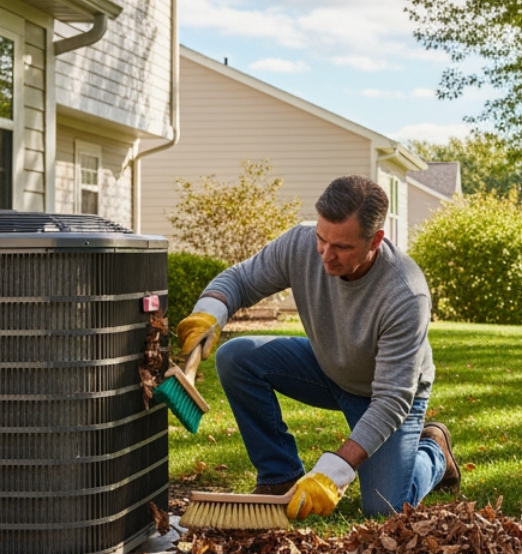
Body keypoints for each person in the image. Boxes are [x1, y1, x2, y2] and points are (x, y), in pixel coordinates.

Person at [174, 175, 458, 520]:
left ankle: (434, 452)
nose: (326, 253)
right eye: (322, 238)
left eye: (342, 246)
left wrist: (335, 470)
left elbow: (392, 399)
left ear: (375, 240)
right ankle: (280, 477)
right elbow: (240, 280)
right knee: (237, 357)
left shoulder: (405, 293)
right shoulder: (302, 243)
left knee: (383, 509)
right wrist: (209, 312)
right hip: (329, 368)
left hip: (388, 394)